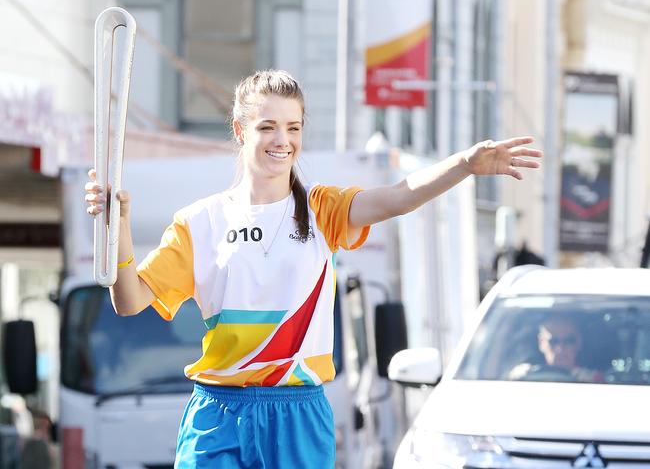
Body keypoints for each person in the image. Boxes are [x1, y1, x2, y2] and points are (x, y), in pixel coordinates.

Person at [84, 69, 542, 468]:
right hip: (217, 413)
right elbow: (129, 301)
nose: (282, 141)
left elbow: (398, 196)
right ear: (240, 131)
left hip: (297, 414)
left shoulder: (322, 210)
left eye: (293, 127)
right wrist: (116, 226)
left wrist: (464, 164)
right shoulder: (199, 222)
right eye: (267, 126)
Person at [509, 314, 603, 382]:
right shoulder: (525, 378)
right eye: (553, 342)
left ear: (579, 343)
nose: (560, 349)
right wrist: (514, 379)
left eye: (568, 341)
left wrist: (592, 383)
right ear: (541, 343)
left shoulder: (593, 380)